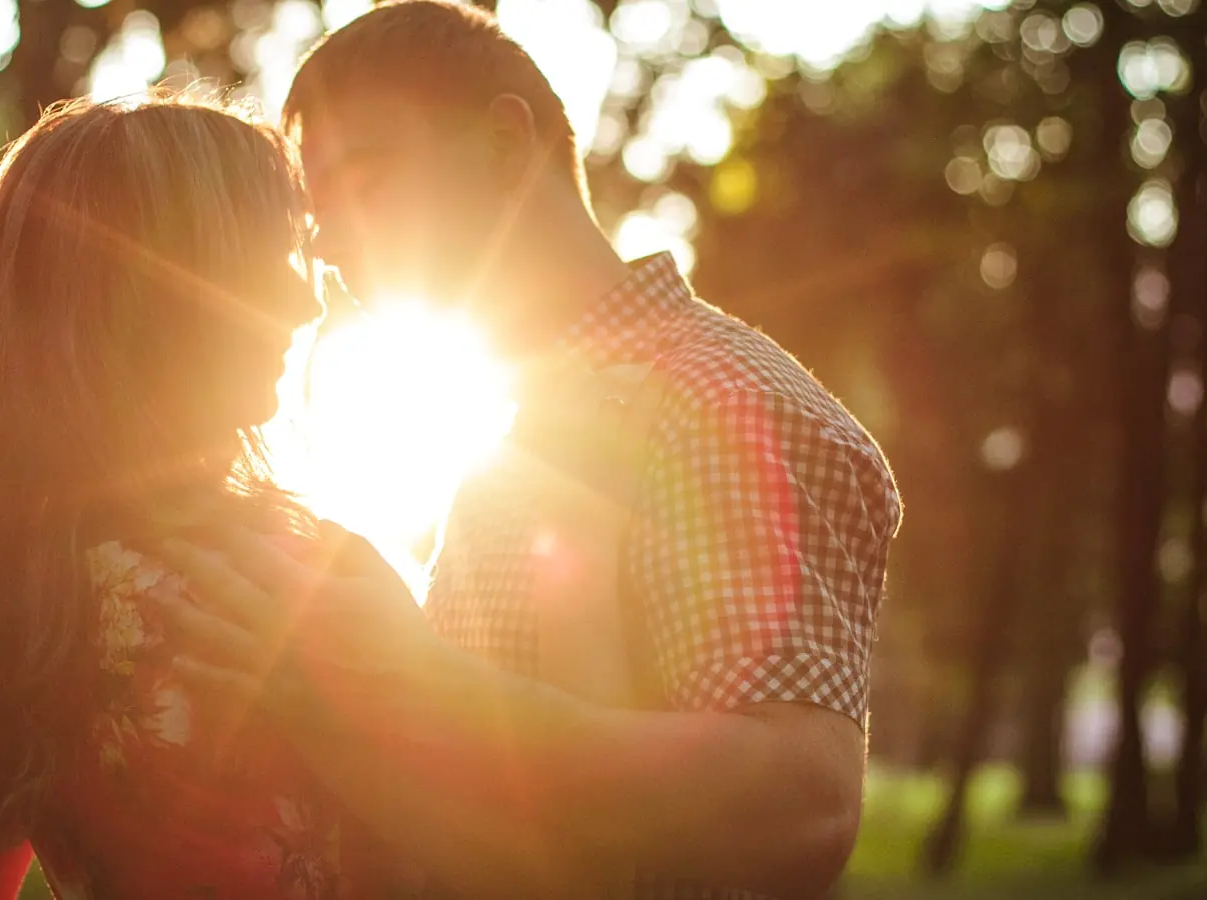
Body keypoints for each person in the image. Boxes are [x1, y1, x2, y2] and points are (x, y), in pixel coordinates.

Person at [156, 2, 904, 899]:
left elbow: (802, 810)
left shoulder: (721, 401)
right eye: (320, 221)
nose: (336, 252)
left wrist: (421, 680)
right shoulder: (510, 445)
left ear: (506, 144)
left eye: (369, 183)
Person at [0, 94, 405, 899]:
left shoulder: (16, 605)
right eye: (267, 258)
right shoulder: (299, 572)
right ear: (154, 288)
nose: (307, 301)